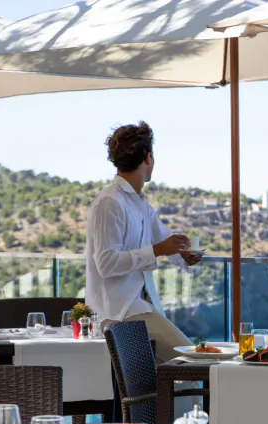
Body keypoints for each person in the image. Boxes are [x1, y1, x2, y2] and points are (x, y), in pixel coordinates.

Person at [86, 121, 201, 364]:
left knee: (167, 375)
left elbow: (163, 239)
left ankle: (168, 403)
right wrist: (158, 250)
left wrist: (183, 255)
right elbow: (106, 263)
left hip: (140, 309)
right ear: (148, 158)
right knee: (193, 361)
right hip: (119, 312)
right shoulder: (110, 202)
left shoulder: (140, 204)